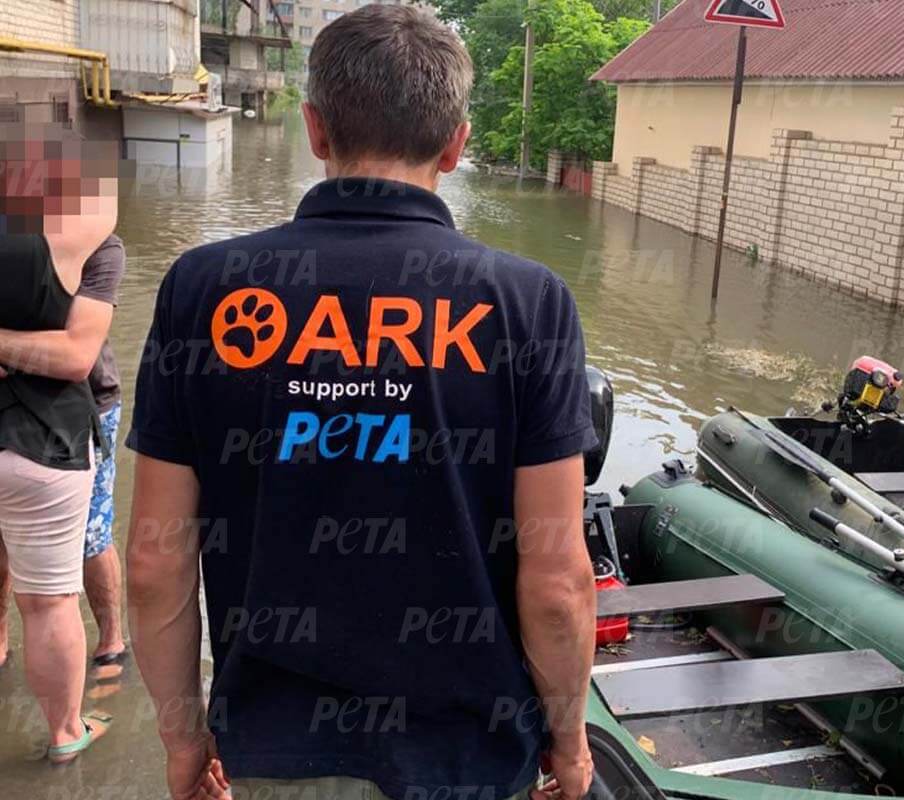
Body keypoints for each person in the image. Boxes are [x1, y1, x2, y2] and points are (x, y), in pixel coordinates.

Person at [126, 5, 598, 800]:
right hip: (468, 761)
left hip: (272, 753)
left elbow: (153, 562)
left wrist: (181, 737)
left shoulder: (203, 289)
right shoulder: (527, 302)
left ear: (314, 130)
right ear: (457, 143)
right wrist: (570, 739)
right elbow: (557, 582)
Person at [0, 119, 118, 762]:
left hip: (48, 433)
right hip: (45, 440)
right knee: (49, 604)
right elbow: (75, 356)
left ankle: (109, 642)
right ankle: (66, 732)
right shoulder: (85, 241)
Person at [0, 235, 128, 669]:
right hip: (15, 405)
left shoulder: (96, 243)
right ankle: (0, 639)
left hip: (84, 404)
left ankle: (111, 641)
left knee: (93, 535)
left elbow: (76, 354)